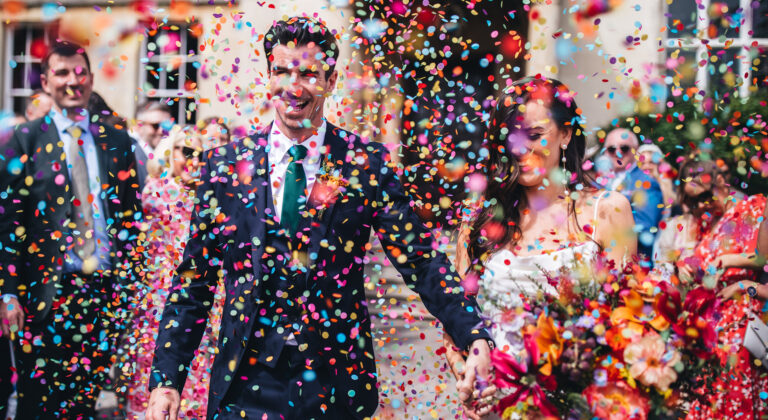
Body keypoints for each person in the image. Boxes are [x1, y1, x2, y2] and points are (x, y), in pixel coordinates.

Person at [145, 16, 492, 420]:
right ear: (266, 76)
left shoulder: (364, 163)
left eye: (308, 73)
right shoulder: (226, 166)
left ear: (330, 79)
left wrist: (474, 334)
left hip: (336, 387)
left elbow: (420, 260)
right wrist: (166, 380)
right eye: (282, 71)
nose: (294, 87)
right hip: (243, 387)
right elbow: (194, 282)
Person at [444, 76, 636, 419]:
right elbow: (457, 318)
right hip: (497, 407)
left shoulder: (607, 209)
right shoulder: (478, 220)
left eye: (534, 135)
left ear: (565, 135)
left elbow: (631, 318)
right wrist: (465, 375)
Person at [0, 41, 142, 418]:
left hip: (102, 295)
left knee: (85, 403)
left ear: (91, 79)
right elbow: (8, 223)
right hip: (45, 296)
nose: (72, 81)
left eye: (80, 72)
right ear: (46, 82)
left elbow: (130, 218)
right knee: (37, 404)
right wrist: (9, 293)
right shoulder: (24, 140)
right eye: (61, 73)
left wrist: (131, 288)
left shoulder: (117, 140)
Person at [124, 126, 220, 419]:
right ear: (172, 153)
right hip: (159, 297)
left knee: (199, 373)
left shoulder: (212, 194)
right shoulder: (156, 190)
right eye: (186, 152)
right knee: (156, 370)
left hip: (199, 293)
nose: (193, 160)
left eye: (200, 155)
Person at [664, 158, 768, 419]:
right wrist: (684, 266)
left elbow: (762, 258)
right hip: (711, 325)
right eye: (694, 202)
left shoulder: (751, 208)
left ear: (720, 181)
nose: (701, 206)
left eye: (705, 197)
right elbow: (701, 257)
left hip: (744, 321)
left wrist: (731, 261)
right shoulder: (708, 221)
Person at [603, 128, 663, 265]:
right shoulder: (602, 182)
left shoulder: (646, 181)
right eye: (612, 149)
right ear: (605, 152)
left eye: (624, 148)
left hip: (634, 265)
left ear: (635, 151)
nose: (618, 153)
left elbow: (646, 226)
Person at [130, 101, 173, 188]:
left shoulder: (172, 158)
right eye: (155, 125)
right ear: (140, 127)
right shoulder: (132, 158)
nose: (161, 131)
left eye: (166, 126)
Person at [637, 143, 676, 217]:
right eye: (642, 163)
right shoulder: (631, 188)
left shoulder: (671, 190)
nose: (646, 167)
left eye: (651, 162)